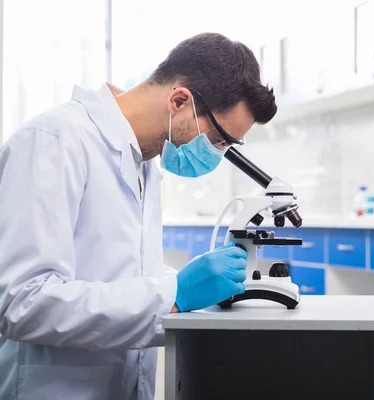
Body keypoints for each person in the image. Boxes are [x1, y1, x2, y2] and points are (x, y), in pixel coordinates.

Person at [0, 32, 277, 399]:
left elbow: (117, 274)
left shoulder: (143, 162)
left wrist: (183, 284)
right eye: (218, 139)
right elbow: (22, 302)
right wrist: (175, 294)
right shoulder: (55, 141)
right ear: (180, 100)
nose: (215, 154)